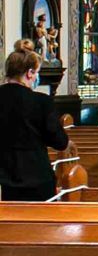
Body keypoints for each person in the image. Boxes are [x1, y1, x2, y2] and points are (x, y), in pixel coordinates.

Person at [0, 40, 68, 202]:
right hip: (36, 178)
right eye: (37, 72)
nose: (37, 77)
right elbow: (60, 142)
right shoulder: (41, 102)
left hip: (3, 178)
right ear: (30, 73)